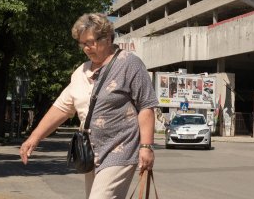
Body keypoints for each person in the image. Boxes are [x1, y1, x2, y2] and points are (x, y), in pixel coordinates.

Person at [19, 13, 158, 199]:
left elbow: (146, 105)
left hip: (120, 148)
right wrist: (34, 138)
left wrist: (146, 146)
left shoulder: (129, 64)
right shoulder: (81, 72)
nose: (86, 48)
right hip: (91, 151)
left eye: (90, 42)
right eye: (82, 43)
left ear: (107, 38)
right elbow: (62, 107)